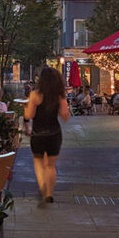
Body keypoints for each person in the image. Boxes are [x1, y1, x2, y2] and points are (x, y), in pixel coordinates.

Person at [25, 66, 70, 204]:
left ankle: (42, 185)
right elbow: (65, 116)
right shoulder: (59, 96)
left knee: (38, 161)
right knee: (51, 165)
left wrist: (27, 107)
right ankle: (50, 193)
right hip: (54, 133)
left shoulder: (35, 95)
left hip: (38, 134)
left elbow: (29, 115)